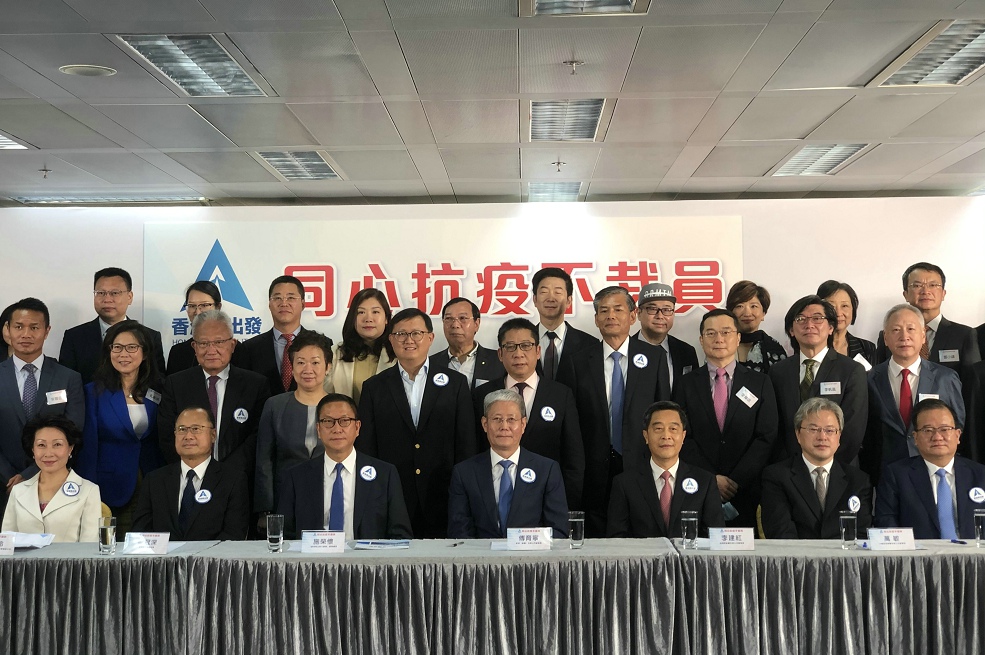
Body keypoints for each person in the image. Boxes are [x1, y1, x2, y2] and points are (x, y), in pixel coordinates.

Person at [556, 286, 668, 536]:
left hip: (640, 464)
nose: (611, 316)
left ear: (632, 315)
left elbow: (663, 414)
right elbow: (569, 421)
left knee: (639, 533)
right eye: (604, 311)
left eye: (618, 309)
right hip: (593, 467)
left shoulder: (654, 358)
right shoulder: (577, 361)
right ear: (596, 319)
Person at [357, 308, 475, 538]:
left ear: (430, 338)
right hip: (392, 496)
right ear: (391, 339)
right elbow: (367, 448)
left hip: (444, 494)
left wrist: (463, 492)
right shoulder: (374, 387)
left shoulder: (456, 384)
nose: (408, 340)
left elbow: (466, 443)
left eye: (416, 333)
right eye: (401, 334)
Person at [674, 309, 778, 527]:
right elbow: (683, 436)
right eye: (711, 333)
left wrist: (734, 481)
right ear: (701, 340)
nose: (719, 339)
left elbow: (766, 436)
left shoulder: (760, 382)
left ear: (738, 338)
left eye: (725, 332)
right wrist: (710, 479)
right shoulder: (685, 384)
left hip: (747, 490)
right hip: (699, 487)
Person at [473, 318, 584, 510]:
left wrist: (565, 507)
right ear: (500, 354)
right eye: (510, 347)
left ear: (538, 351)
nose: (518, 354)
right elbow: (474, 451)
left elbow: (573, 458)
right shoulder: (482, 395)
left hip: (546, 499)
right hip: (493, 500)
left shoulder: (561, 395)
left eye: (526, 346)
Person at [158, 310, 270, 497]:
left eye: (219, 342)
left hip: (240, 481)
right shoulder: (176, 384)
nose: (211, 350)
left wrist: (226, 473)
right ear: (194, 346)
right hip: (189, 481)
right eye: (204, 343)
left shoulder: (255, 385)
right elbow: (167, 435)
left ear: (232, 345)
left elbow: (258, 436)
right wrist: (197, 469)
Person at [278, 393, 412, 540]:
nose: (337, 429)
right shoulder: (296, 477)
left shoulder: (385, 474)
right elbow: (285, 537)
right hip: (315, 554)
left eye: (344, 421)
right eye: (328, 421)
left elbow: (400, 535)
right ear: (318, 429)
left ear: (357, 427)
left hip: (367, 555)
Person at [75, 321, 164, 536]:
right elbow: (88, 446)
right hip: (109, 485)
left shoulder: (158, 390)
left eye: (132, 347)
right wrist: (88, 490)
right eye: (117, 347)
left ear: (144, 353)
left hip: (151, 482)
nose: (124, 354)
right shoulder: (93, 392)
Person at [861, 304, 964, 482]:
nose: (904, 336)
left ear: (923, 335)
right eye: (896, 330)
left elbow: (958, 425)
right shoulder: (869, 379)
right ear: (885, 338)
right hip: (885, 473)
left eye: (911, 329)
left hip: (935, 470)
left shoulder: (946, 378)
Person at [448, 389, 568, 538]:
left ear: (523, 424)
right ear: (485, 424)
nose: (504, 426)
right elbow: (459, 532)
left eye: (511, 419)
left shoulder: (546, 470)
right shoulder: (464, 473)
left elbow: (558, 530)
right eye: (497, 419)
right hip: (481, 553)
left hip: (531, 553)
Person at [768, 295, 867, 465]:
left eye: (817, 318)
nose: (809, 325)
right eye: (801, 319)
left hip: (838, 469)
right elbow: (774, 426)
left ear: (830, 328)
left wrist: (824, 467)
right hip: (788, 468)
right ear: (791, 330)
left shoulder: (851, 370)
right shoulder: (778, 371)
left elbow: (853, 429)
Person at [0, 298, 85, 493]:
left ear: (46, 331)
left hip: (54, 481)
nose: (26, 334)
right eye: (19, 327)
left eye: (34, 328)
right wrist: (8, 477)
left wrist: (29, 474)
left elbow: (73, 431)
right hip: (4, 484)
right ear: (8, 330)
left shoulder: (68, 378)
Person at [606, 401, 724, 538]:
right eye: (658, 429)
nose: (666, 436)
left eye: (673, 429)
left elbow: (716, 538)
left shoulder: (705, 482)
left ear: (683, 436)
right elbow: (616, 539)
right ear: (646, 436)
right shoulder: (625, 483)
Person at [761, 398, 873, 539]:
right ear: (798, 434)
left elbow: (861, 534)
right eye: (813, 429)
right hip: (796, 553)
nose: (822, 437)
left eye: (829, 430)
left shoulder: (858, 481)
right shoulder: (776, 477)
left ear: (839, 436)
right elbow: (781, 533)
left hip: (842, 554)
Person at [132, 407, 249, 540]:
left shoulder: (233, 479)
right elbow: (140, 533)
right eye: (182, 429)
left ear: (213, 435)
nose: (188, 436)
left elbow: (234, 535)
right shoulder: (154, 480)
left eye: (196, 429)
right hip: (165, 554)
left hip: (214, 554)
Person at [875, 399, 985, 539]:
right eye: (928, 430)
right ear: (915, 438)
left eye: (944, 429)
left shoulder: (980, 475)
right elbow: (886, 524)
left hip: (973, 552)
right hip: (918, 552)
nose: (937, 437)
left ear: (957, 435)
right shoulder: (896, 475)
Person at [255, 331, 334, 516]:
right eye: (300, 362)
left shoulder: (340, 406)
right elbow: (264, 462)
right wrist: (265, 509)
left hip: (331, 499)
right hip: (285, 500)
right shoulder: (275, 406)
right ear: (292, 367)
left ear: (328, 367)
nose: (308, 369)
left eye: (315, 362)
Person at [59, 267, 166, 384]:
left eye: (115, 293)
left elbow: (157, 382)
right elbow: (66, 382)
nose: (107, 299)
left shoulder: (150, 337)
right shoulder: (74, 337)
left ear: (129, 297)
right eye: (101, 293)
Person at [2, 415, 101, 542]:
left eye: (57, 444)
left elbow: (90, 546)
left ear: (70, 448)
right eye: (41, 445)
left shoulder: (89, 490)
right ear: (33, 450)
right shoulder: (18, 491)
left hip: (70, 556)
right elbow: (6, 544)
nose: (48, 453)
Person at [875, 263, 980, 379]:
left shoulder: (964, 335)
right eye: (917, 285)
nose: (925, 291)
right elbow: (879, 377)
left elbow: (974, 382)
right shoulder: (891, 335)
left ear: (943, 294)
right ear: (905, 294)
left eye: (933, 285)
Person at [232, 275, 310, 398]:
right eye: (277, 298)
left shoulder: (321, 345)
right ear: (269, 304)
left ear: (303, 304)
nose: (284, 303)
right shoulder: (249, 348)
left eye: (291, 298)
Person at [324, 288, 395, 403]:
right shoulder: (335, 353)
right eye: (361, 312)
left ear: (386, 318)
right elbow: (324, 395)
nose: (368, 319)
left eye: (375, 312)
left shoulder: (398, 352)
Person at [531, 267, 599, 380]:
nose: (550, 298)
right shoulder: (521, 342)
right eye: (544, 292)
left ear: (569, 301)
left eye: (558, 292)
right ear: (535, 300)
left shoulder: (590, 344)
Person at [634, 282, 699, 396]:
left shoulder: (686, 352)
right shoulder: (625, 350)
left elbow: (692, 395)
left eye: (667, 310)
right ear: (639, 313)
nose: (660, 316)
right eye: (652, 309)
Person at [429, 297, 504, 390]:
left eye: (462, 318)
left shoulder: (499, 361)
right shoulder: (431, 364)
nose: (455, 325)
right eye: (449, 318)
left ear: (476, 324)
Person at [725, 280, 787, 375]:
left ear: (763, 313)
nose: (747, 313)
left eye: (753, 306)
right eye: (740, 306)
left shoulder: (774, 349)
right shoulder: (721, 344)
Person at [817, 280, 877, 369]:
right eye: (831, 306)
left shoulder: (867, 348)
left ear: (853, 310)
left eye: (844, 306)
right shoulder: (809, 346)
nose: (838, 313)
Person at [166, 280, 222, 375]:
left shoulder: (235, 350)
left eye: (204, 305)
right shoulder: (178, 352)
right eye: (192, 306)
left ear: (218, 307)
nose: (198, 312)